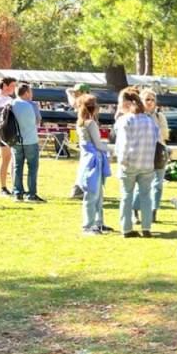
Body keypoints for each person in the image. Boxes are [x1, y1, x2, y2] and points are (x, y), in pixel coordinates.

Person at [114, 87, 159, 238]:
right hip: (147, 163)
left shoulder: (125, 120)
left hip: (130, 163)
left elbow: (123, 143)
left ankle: (126, 228)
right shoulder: (149, 120)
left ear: (127, 103)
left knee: (127, 195)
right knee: (146, 196)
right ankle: (146, 227)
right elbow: (155, 140)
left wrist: (121, 160)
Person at [75, 94, 112, 235]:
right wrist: (113, 149)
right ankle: (88, 226)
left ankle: (98, 223)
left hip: (88, 160)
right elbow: (98, 144)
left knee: (97, 194)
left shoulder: (81, 122)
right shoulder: (90, 123)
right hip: (94, 161)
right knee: (93, 195)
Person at [136, 88, 169, 223]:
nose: (150, 102)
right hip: (142, 153)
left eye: (152, 100)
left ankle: (154, 211)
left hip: (158, 151)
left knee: (158, 184)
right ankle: (135, 212)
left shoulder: (159, 116)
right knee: (141, 184)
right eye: (147, 99)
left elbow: (164, 135)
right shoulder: (137, 116)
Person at [9, 83, 44, 202]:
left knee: (17, 167)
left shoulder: (11, 104)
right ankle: (31, 194)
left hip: (16, 140)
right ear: (26, 93)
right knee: (32, 168)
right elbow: (38, 120)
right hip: (30, 140)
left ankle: (18, 193)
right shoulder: (32, 105)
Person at [0, 76, 16, 197]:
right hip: (5, 132)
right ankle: (5, 188)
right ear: (4, 86)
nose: (14, 88)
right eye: (12, 86)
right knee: (8, 159)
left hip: (0, 130)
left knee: (7, 160)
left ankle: (7, 187)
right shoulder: (4, 100)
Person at [66, 82, 92, 199]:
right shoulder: (88, 101)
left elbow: (72, 102)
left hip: (86, 130)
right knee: (86, 162)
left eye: (77, 92)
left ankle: (80, 188)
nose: (75, 94)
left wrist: (68, 92)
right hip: (86, 131)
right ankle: (79, 188)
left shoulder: (84, 101)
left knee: (86, 161)